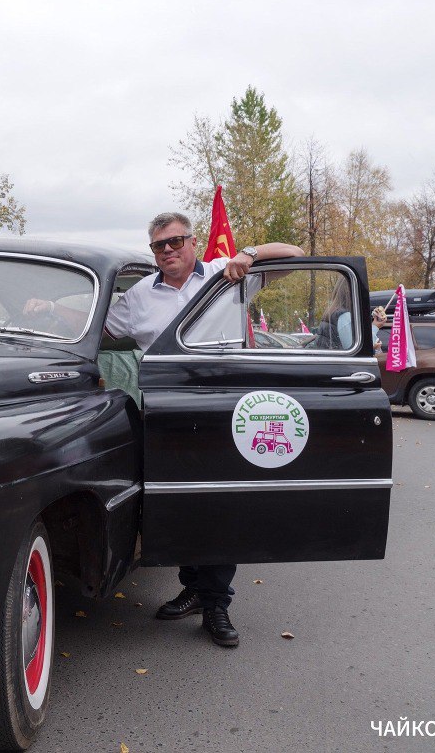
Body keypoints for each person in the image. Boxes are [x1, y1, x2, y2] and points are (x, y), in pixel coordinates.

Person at [107, 211, 303, 647]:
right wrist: (47, 308)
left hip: (225, 409)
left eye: (177, 241)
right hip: (167, 413)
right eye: (160, 245)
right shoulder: (139, 296)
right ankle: (193, 586)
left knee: (222, 505)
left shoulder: (225, 274)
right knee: (176, 504)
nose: (169, 250)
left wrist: (249, 254)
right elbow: (96, 328)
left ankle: (216, 603)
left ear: (193, 242)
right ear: (153, 252)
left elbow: (295, 254)